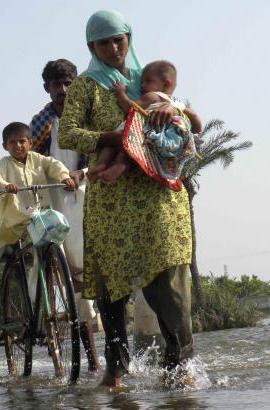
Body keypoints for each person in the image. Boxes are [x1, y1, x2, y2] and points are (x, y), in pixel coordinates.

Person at [58, 10, 196, 387]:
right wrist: (108, 139)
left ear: (129, 38)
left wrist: (177, 107)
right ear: (92, 46)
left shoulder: (149, 76)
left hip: (158, 199)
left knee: (169, 282)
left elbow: (185, 118)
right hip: (112, 201)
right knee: (110, 285)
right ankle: (116, 369)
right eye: (105, 42)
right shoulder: (86, 86)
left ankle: (179, 368)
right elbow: (68, 133)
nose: (114, 47)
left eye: (120, 39)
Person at [30, 59, 100, 372]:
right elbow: (30, 161)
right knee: (51, 272)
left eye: (68, 83)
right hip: (51, 200)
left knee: (85, 278)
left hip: (85, 196)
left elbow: (100, 156)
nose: (63, 90)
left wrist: (80, 173)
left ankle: (96, 360)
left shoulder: (87, 115)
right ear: (47, 88)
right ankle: (46, 329)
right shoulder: (40, 121)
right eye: (57, 84)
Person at [88, 59, 202, 184]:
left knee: (110, 146)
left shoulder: (153, 96)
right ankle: (120, 166)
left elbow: (132, 109)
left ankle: (101, 164)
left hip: (138, 129)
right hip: (155, 141)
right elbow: (197, 124)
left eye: (148, 81)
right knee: (130, 155)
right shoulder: (178, 104)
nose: (142, 85)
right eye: (142, 81)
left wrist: (121, 94)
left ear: (166, 85)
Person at [0, 122, 75, 249]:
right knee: (29, 251)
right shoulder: (4, 164)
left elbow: (53, 164)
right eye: (12, 142)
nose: (18, 146)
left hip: (42, 215)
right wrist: (6, 185)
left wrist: (65, 177)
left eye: (22, 141)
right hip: (17, 221)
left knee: (57, 241)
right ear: (5, 146)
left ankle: (59, 266)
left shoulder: (37, 158)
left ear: (30, 143)